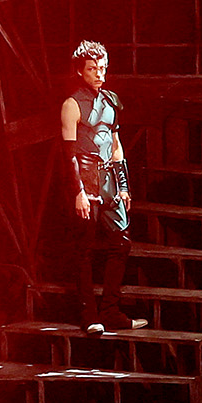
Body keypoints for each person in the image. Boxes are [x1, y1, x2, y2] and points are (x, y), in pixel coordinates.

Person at [60, 41, 145, 336]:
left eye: (102, 68)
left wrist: (124, 186)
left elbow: (117, 145)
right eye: (93, 69)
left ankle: (110, 310)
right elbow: (69, 153)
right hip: (86, 179)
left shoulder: (110, 102)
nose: (99, 74)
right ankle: (89, 315)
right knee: (84, 248)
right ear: (80, 71)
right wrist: (78, 192)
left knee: (121, 243)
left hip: (109, 179)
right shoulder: (72, 104)